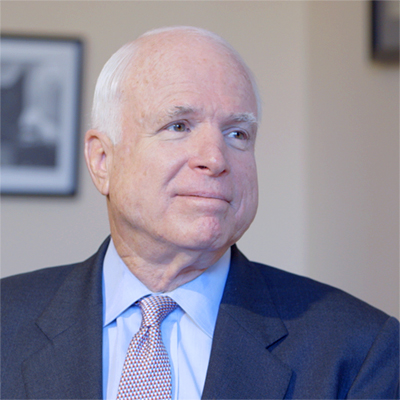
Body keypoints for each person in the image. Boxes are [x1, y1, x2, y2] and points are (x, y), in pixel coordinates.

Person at [1, 26, 398, 400]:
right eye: (178, 126)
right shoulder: (7, 323)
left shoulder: (360, 351)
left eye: (237, 134)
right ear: (103, 160)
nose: (214, 158)